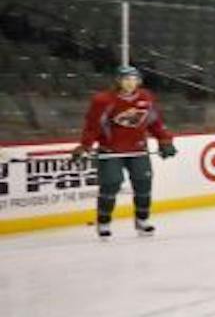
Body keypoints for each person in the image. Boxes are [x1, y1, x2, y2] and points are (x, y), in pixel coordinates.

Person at [72, 65, 174, 238]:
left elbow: (154, 121)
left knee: (143, 183)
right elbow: (92, 127)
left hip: (138, 149)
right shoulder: (103, 100)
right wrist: (85, 146)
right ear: (118, 81)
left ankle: (142, 220)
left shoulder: (146, 97)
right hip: (111, 150)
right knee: (110, 184)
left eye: (134, 79)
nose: (130, 83)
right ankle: (104, 222)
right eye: (126, 79)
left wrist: (164, 140)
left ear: (139, 81)